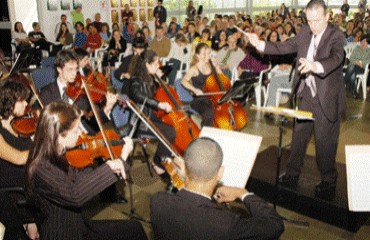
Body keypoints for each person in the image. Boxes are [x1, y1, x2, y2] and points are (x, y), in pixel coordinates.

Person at [247, 0, 346, 199]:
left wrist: (315, 65)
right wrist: (260, 44)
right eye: (309, 21)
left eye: (317, 21)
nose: (313, 26)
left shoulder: (336, 35)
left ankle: (328, 180)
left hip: (326, 97)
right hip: (307, 94)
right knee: (299, 136)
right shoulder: (304, 32)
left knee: (324, 143)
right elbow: (285, 47)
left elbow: (337, 58)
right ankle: (292, 174)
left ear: (327, 17)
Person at [25, 101, 148, 239]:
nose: (81, 133)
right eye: (76, 129)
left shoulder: (59, 152)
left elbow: (80, 178)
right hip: (62, 233)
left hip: (77, 225)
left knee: (134, 228)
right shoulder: (41, 168)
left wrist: (114, 165)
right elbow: (75, 195)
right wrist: (118, 161)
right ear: (60, 136)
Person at [150, 137, 285, 240]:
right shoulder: (226, 225)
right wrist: (242, 193)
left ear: (183, 167)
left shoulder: (157, 202)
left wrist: (180, 178)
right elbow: (275, 225)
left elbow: (179, 196)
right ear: (220, 173)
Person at [0, 80, 39, 240]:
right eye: (21, 101)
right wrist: (42, 148)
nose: (26, 104)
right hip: (10, 189)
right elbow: (17, 158)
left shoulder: (23, 123)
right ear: (9, 102)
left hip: (27, 181)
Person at [128, 49, 176, 174]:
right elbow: (139, 96)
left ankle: (164, 157)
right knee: (170, 132)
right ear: (146, 65)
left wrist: (156, 81)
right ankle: (158, 162)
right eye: (155, 64)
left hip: (149, 115)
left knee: (171, 127)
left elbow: (152, 94)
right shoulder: (135, 80)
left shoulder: (148, 78)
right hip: (140, 120)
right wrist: (159, 104)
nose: (158, 66)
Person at [181, 43, 222, 127]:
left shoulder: (210, 65)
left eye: (208, 53)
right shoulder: (194, 69)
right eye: (204, 54)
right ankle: (205, 133)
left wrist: (217, 67)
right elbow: (183, 81)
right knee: (209, 112)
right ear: (198, 55)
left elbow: (222, 78)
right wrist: (194, 89)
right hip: (199, 100)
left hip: (212, 97)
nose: (207, 56)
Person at [344, 34, 370, 99]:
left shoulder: (369, 51)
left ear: (367, 42)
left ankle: (343, 81)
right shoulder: (357, 48)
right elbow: (351, 58)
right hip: (353, 66)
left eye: (365, 41)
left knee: (351, 67)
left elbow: (367, 61)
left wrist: (360, 62)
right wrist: (357, 62)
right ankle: (354, 93)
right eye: (362, 41)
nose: (362, 42)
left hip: (361, 68)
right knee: (352, 74)